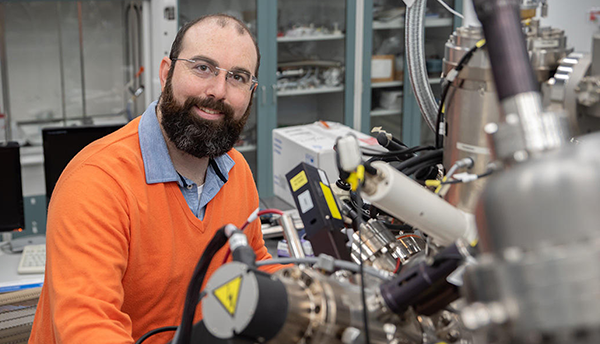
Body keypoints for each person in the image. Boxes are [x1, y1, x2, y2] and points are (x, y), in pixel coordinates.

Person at [30, 14, 279, 343]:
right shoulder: (97, 182)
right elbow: (88, 327)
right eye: (203, 67)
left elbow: (255, 260)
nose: (218, 91)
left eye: (237, 77)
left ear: (251, 92)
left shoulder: (237, 170)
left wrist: (311, 291)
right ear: (166, 73)